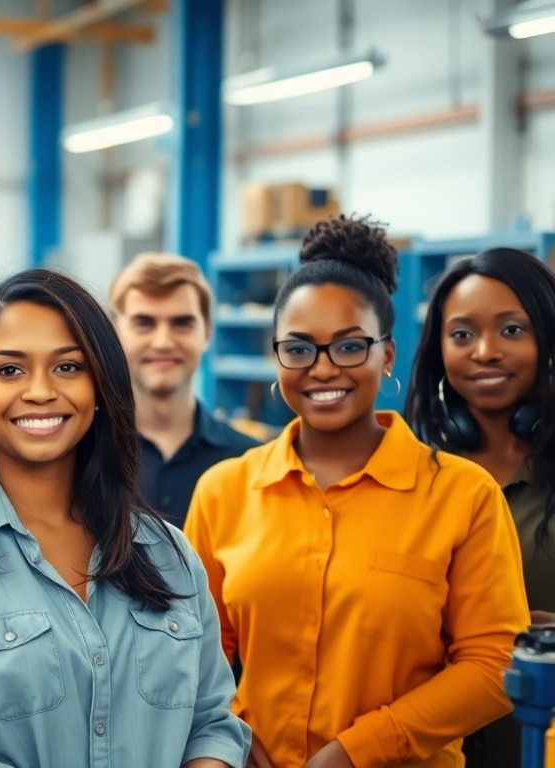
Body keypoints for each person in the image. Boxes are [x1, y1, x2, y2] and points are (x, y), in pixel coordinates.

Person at [185, 216, 529, 768]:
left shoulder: (463, 496)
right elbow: (197, 655)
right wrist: (234, 738)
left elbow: (494, 663)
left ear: (387, 355)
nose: (322, 370)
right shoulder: (225, 491)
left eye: (349, 346)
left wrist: (358, 750)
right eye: (299, 349)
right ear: (278, 357)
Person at [0, 268, 250, 768]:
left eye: (68, 367)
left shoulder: (170, 554)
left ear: (100, 384)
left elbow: (212, 725)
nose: (41, 391)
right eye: (10, 371)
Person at [404, 247, 555, 768]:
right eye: (462, 334)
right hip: (428, 748)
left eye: (512, 330)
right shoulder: (406, 473)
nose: (485, 351)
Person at [108, 254, 259, 527]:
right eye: (144, 323)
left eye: (182, 323)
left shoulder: (252, 464)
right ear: (114, 332)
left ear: (207, 333)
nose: (164, 342)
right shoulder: (85, 456)